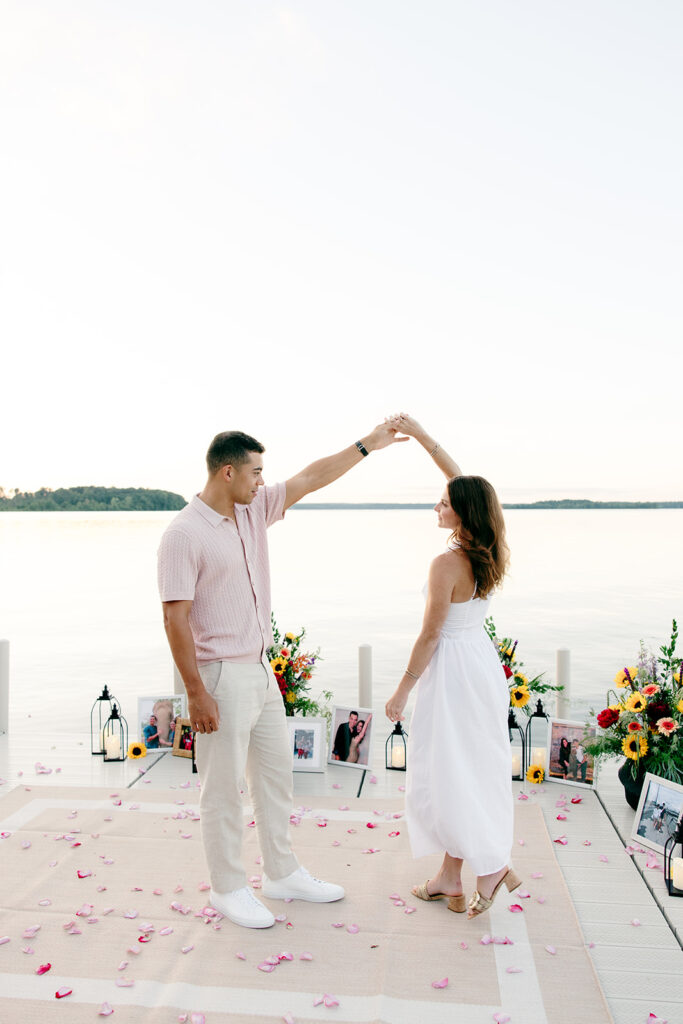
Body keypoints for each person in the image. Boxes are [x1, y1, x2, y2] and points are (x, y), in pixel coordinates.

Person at [158, 422, 406, 930]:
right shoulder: (183, 534)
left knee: (275, 778)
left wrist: (368, 444)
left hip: (261, 671)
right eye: (255, 472)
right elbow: (174, 618)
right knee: (223, 789)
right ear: (228, 472)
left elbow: (311, 478)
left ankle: (281, 873)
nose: (261, 481)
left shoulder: (252, 511)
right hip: (219, 677)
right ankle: (227, 888)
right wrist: (196, 693)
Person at [384, 414, 519, 919]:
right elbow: (465, 485)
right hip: (481, 665)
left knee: (445, 771)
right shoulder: (488, 548)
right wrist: (421, 437)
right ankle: (449, 877)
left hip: (452, 672)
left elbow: (430, 634)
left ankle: (489, 869)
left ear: (461, 514)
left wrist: (401, 691)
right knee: (464, 769)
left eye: (443, 503)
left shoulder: (445, 564)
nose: (436, 505)